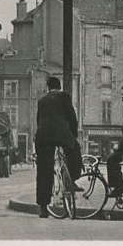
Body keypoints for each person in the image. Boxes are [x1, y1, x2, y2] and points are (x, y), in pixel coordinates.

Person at [35, 76, 82, 218]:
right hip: (62, 134)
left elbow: (39, 121)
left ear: (48, 87)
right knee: (75, 151)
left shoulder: (42, 101)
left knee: (44, 169)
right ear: (59, 86)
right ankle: (72, 180)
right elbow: (72, 116)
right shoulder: (64, 96)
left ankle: (43, 207)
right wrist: (73, 136)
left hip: (44, 137)